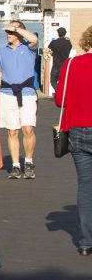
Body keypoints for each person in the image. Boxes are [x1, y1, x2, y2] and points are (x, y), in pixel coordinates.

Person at [56, 25, 92, 256]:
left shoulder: (71, 66)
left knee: (86, 186)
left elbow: (60, 100)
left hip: (78, 130)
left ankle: (86, 241)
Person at [0, 20, 40, 179]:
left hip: (26, 93)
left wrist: (16, 28)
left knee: (28, 129)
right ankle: (15, 165)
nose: (8, 34)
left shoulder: (29, 48)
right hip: (6, 93)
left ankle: (28, 161)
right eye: (7, 32)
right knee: (12, 131)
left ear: (19, 32)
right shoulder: (1, 51)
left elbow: (34, 39)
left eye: (11, 32)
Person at [48, 27, 73, 92]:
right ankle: (63, 93)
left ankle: (58, 92)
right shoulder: (68, 43)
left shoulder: (54, 42)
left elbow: (49, 50)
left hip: (56, 66)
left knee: (53, 80)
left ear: (58, 33)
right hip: (65, 66)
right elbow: (69, 46)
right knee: (64, 82)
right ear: (65, 33)